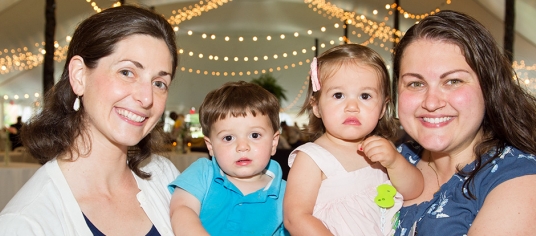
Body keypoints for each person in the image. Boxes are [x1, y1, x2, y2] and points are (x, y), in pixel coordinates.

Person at [0, 5, 180, 235]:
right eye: (127, 72)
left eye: (159, 83)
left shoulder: (166, 178)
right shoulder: (26, 224)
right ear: (79, 75)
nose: (146, 98)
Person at [392, 10, 536, 236]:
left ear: (489, 89)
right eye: (415, 84)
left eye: (453, 81)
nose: (431, 102)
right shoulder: (391, 160)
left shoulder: (518, 178)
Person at [283, 44, 424, 235]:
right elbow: (296, 217)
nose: (352, 106)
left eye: (365, 96)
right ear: (316, 106)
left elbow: (414, 191)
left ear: (383, 108)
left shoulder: (383, 150)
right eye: (338, 95)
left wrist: (395, 162)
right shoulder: (312, 158)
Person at [168, 81, 288, 235]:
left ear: (274, 142)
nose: (242, 146)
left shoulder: (287, 193)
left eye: (255, 135)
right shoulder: (203, 173)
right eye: (228, 138)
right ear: (210, 146)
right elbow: (181, 209)